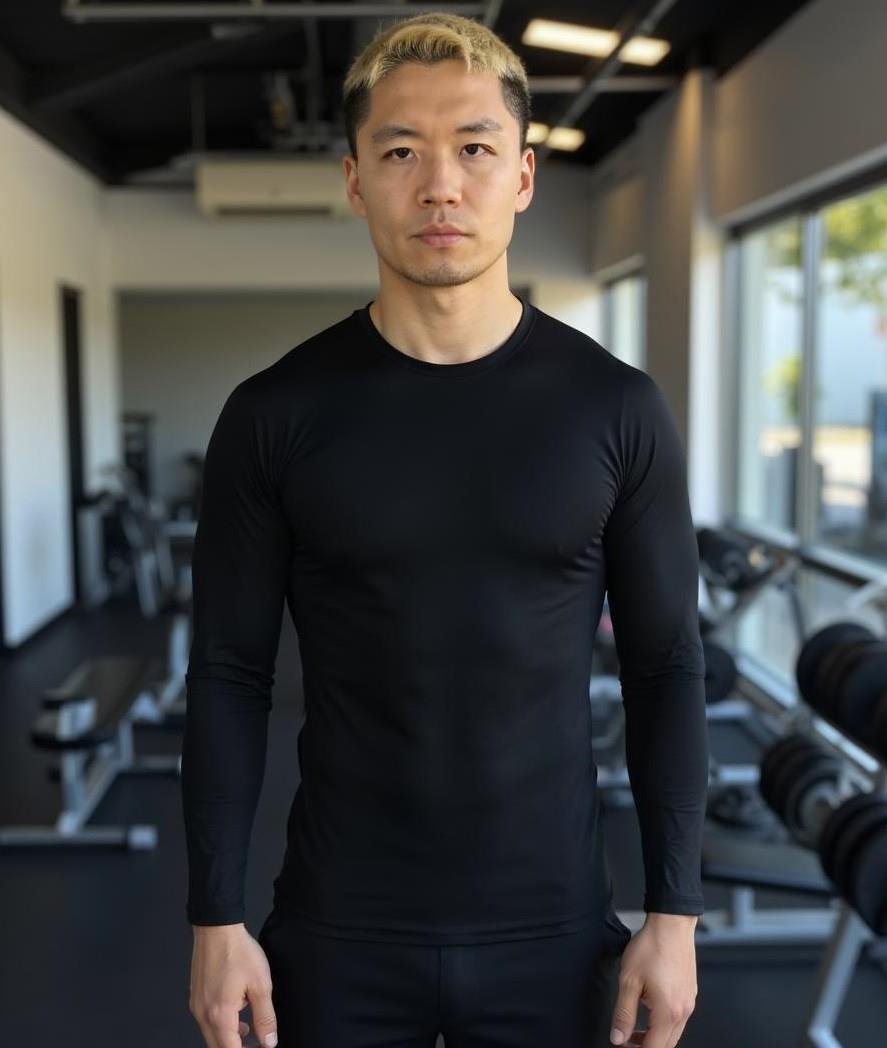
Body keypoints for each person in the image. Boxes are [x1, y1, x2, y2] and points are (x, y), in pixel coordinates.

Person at [181, 11, 709, 1048]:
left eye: (473, 148)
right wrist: (214, 914)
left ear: (521, 176)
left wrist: (674, 913)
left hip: (554, 928)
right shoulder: (273, 414)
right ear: (353, 180)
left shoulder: (615, 409)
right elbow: (229, 672)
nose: (439, 185)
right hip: (337, 925)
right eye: (399, 152)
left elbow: (665, 666)